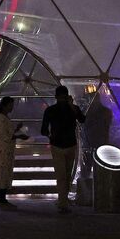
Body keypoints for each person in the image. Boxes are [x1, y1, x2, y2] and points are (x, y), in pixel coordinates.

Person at [41, 85, 85, 213]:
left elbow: (43, 130)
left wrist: (50, 136)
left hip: (56, 145)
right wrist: (72, 106)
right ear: (67, 96)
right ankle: (63, 201)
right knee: (67, 175)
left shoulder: (50, 110)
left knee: (61, 175)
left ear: (55, 97)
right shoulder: (73, 109)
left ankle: (63, 201)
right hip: (71, 144)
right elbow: (83, 120)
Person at [0, 96, 29, 206]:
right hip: (4, 150)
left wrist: (16, 130)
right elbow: (5, 136)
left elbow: (7, 133)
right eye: (10, 105)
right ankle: (1, 197)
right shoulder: (2, 118)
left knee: (5, 172)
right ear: (5, 105)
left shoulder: (3, 117)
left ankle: (2, 197)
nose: (12, 107)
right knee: (4, 172)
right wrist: (20, 136)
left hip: (5, 150)